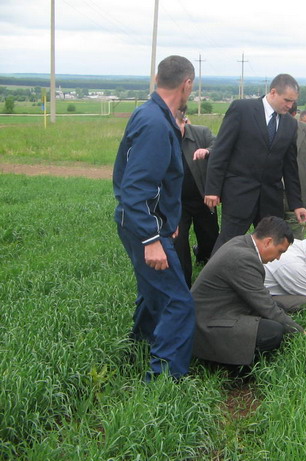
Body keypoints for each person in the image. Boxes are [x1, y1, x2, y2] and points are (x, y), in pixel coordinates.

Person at [113, 55, 195, 380]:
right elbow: (136, 189)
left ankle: (136, 354)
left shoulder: (151, 115)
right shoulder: (156, 124)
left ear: (158, 78)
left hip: (147, 224)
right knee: (178, 303)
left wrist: (167, 223)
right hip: (143, 227)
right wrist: (151, 238)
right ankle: (162, 382)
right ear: (186, 84)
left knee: (153, 295)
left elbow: (155, 184)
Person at [204, 74, 306, 253]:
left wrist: (296, 203)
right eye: (287, 100)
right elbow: (221, 151)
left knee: (271, 245)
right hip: (239, 193)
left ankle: (262, 280)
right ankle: (216, 279)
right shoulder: (242, 109)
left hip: (270, 197)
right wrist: (212, 189)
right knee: (229, 244)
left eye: (293, 102)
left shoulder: (290, 125)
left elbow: (290, 167)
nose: (290, 106)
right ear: (273, 92)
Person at [191, 217, 305, 366]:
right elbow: (266, 307)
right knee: (272, 332)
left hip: (218, 311)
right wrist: (299, 332)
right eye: (279, 252)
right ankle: (235, 369)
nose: (278, 258)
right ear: (268, 242)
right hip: (207, 324)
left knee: (279, 312)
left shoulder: (242, 242)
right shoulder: (244, 259)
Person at [173, 110, 217, 287]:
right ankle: (185, 284)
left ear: (185, 121)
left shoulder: (201, 132)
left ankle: (205, 260)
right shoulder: (163, 138)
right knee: (179, 241)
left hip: (202, 197)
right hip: (177, 202)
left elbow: (220, 145)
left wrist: (207, 151)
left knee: (210, 237)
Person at [286, 102, 306, 239]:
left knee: (296, 241)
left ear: (294, 115)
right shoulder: (265, 129)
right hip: (272, 197)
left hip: (299, 196)